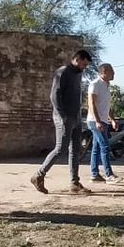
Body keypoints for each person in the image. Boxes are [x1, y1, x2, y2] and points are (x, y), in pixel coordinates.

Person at [31, 50, 93, 194]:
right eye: (84, 64)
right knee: (61, 149)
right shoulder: (62, 72)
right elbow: (54, 96)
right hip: (64, 117)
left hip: (76, 117)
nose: (85, 67)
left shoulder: (78, 74)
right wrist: (62, 115)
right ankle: (38, 175)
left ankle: (74, 183)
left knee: (75, 149)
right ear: (77, 59)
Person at [87, 63, 123, 184]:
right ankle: (109, 175)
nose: (114, 73)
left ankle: (94, 174)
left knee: (96, 148)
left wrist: (112, 119)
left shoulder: (107, 86)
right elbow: (91, 103)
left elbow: (107, 106)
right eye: (111, 71)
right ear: (104, 72)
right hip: (95, 121)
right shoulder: (95, 84)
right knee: (105, 146)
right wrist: (97, 121)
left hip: (103, 121)